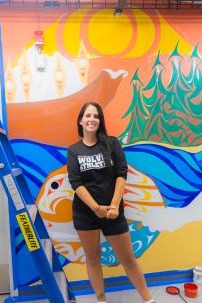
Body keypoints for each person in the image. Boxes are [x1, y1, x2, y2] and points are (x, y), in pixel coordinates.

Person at [67, 102, 156, 303]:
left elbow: (121, 173)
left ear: (100, 121)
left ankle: (148, 299)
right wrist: (96, 208)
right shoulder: (74, 150)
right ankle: (101, 299)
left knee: (128, 260)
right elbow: (76, 183)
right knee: (93, 259)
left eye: (96, 116)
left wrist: (114, 206)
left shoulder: (112, 143)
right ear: (80, 121)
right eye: (88, 115)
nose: (92, 119)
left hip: (113, 212)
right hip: (85, 213)